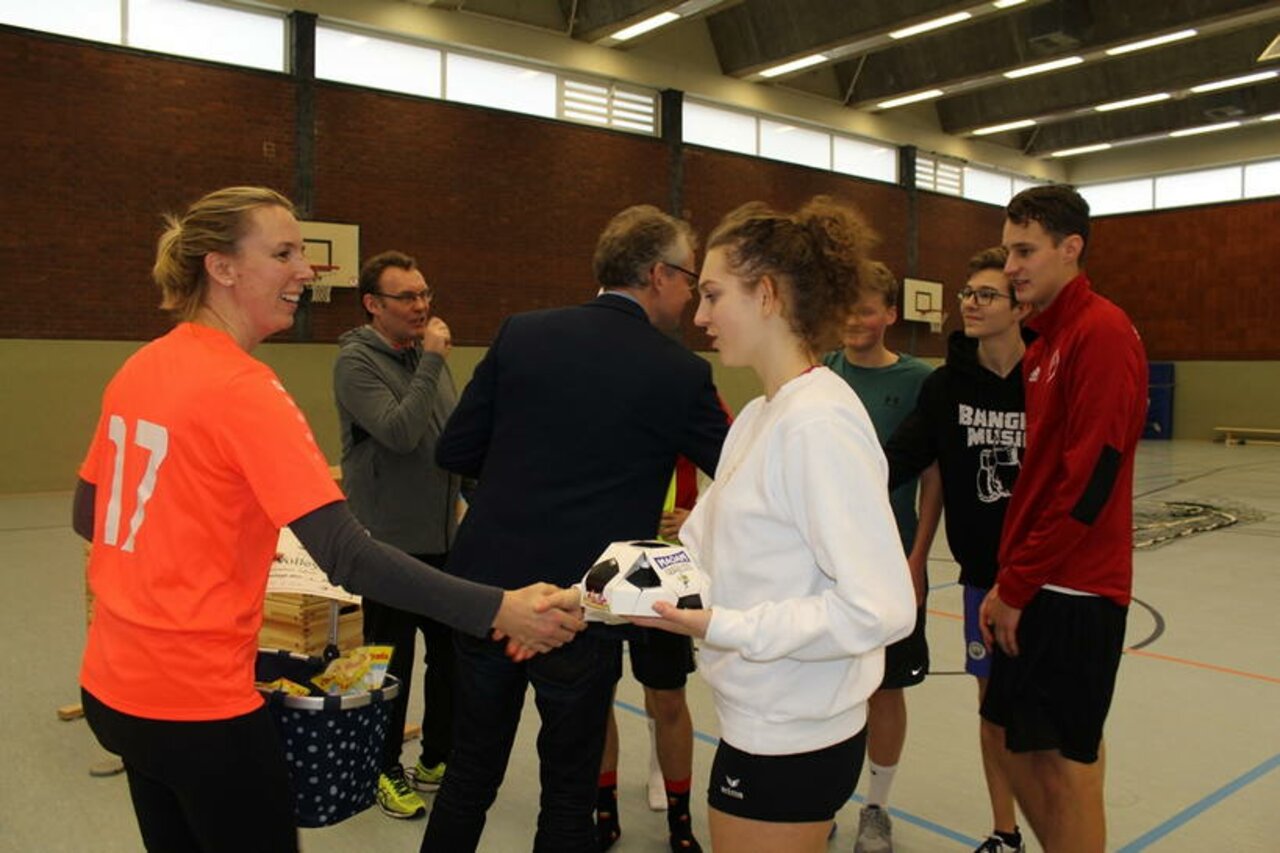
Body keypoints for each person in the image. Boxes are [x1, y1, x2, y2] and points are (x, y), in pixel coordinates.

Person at [72, 186, 585, 853]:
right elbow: (348, 555)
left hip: (115, 686)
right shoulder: (243, 388)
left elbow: (91, 513)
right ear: (222, 267)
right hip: (198, 704)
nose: (307, 270)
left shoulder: (141, 366)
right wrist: (500, 608)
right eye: (283, 252)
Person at [421, 204, 729, 853]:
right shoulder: (680, 372)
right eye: (689, 280)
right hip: (579, 604)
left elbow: (454, 451)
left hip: (488, 589)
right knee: (567, 793)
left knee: (470, 775)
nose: (692, 297)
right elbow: (738, 471)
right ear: (656, 273)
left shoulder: (522, 333)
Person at [635, 196, 917, 853]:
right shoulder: (763, 417)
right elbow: (701, 553)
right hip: (756, 719)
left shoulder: (818, 424)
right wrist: (600, 591)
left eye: (712, 294)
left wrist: (721, 625)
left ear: (765, 294)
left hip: (794, 734)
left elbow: (881, 608)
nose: (699, 315)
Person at [979, 185, 1147, 852]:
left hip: (1076, 589)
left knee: (1065, 765)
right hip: (1038, 577)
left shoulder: (1100, 332)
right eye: (1008, 250)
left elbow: (1090, 482)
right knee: (1016, 743)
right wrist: (1011, 577)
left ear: (1070, 248)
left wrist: (1019, 584)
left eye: (1025, 250)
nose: (1011, 266)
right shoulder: (1046, 339)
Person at [884, 247, 1031, 853]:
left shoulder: (1047, 375)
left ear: (1020, 304)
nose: (970, 302)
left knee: (1057, 721)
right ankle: (1005, 831)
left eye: (986, 294)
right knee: (992, 711)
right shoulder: (947, 387)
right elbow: (900, 458)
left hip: (1047, 577)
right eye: (967, 292)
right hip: (981, 579)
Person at [333, 250, 462, 819]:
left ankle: (437, 757)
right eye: (406, 297)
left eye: (425, 293)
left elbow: (452, 440)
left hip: (444, 540)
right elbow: (401, 433)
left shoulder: (425, 358)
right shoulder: (356, 364)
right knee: (389, 666)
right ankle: (380, 768)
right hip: (386, 544)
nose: (421, 306)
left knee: (452, 658)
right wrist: (432, 362)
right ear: (372, 305)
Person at [822, 262, 942, 853]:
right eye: (847, 308)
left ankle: (877, 807)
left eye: (866, 310)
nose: (854, 321)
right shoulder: (824, 373)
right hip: (825, 563)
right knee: (825, 682)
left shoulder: (921, 380)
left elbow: (933, 477)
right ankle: (820, 803)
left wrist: (917, 560)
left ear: (891, 314)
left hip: (891, 559)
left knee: (883, 689)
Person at [597, 452, 727, 853]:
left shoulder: (689, 394)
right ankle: (605, 815)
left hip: (664, 573)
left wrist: (699, 517)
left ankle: (680, 821)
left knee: (668, 700)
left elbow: (740, 462)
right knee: (597, 698)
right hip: (602, 565)